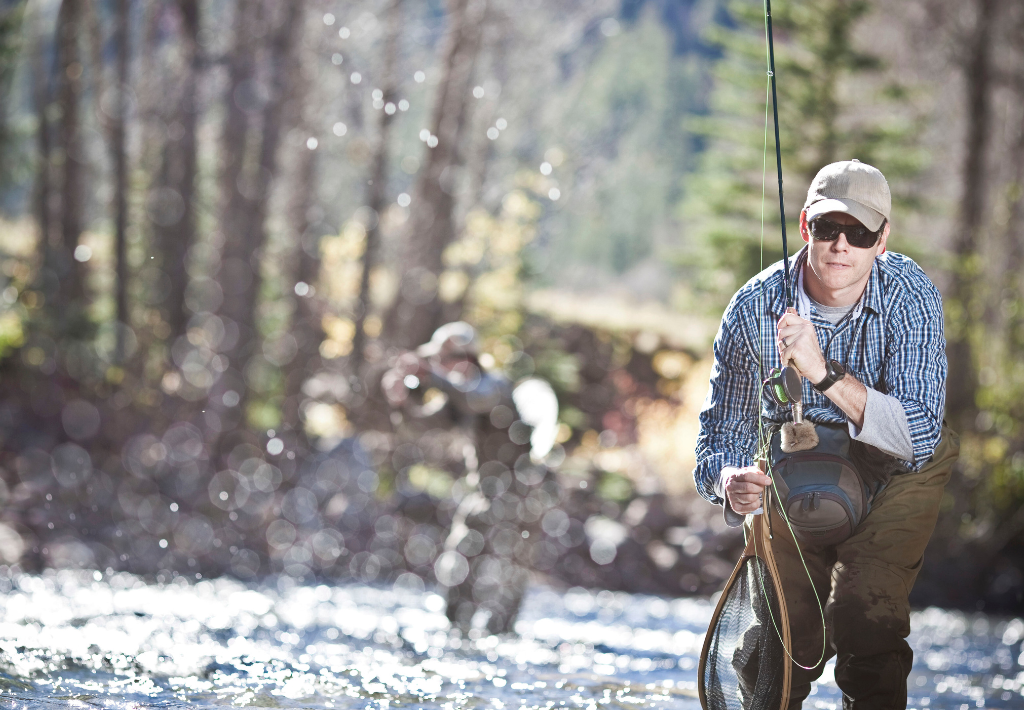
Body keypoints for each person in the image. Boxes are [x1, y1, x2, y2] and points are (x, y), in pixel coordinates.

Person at [694, 159, 959, 708]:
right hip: (797, 470)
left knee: (866, 618)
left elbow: (918, 434)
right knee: (784, 644)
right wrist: (728, 480)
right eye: (828, 228)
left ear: (881, 240)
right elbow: (719, 437)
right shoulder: (752, 308)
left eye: (859, 233)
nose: (841, 245)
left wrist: (822, 372)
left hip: (899, 472)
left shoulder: (912, 298)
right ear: (803, 227)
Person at [383, 322, 558, 635]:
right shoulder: (459, 394)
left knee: (508, 582)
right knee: (460, 569)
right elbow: (422, 426)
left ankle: (496, 643)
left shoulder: (495, 385)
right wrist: (403, 400)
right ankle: (460, 636)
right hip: (487, 496)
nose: (438, 367)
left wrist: (430, 376)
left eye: (442, 361)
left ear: (463, 359)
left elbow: (473, 398)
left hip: (522, 497)